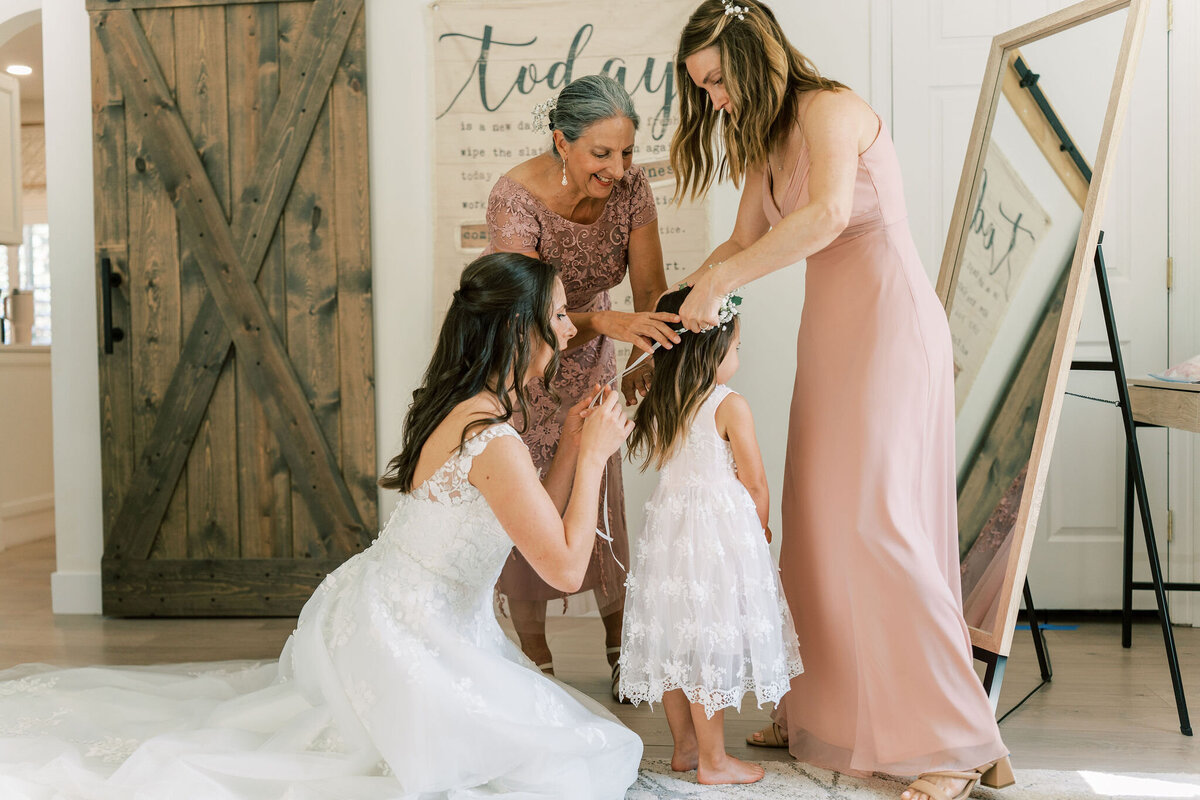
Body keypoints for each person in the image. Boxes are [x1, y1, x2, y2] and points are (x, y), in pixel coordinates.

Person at [0, 253, 643, 800]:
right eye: (558, 313)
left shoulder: (470, 405)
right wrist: (592, 461)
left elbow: (528, 526)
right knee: (579, 756)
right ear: (517, 327)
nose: (568, 328)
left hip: (395, 611)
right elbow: (559, 566)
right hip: (407, 637)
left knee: (569, 741)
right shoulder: (490, 434)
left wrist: (570, 449)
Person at [669, 2, 1014, 799]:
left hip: (891, 330)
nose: (715, 100)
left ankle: (952, 742)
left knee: (881, 524)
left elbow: (825, 216)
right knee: (818, 522)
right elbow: (740, 240)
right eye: (704, 89)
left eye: (718, 80)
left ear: (756, 55)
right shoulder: (757, 140)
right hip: (830, 338)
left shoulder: (834, 110)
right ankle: (816, 707)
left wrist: (724, 281)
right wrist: (682, 289)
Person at [485, 73, 679, 699]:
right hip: (527, 356)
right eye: (602, 153)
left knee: (599, 493)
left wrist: (646, 352)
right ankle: (535, 656)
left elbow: (650, 286)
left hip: (594, 358)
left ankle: (622, 647)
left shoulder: (632, 188)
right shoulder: (514, 200)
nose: (619, 168)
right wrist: (607, 321)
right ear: (560, 141)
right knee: (531, 495)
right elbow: (522, 307)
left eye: (626, 151)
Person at [618, 286, 803, 786]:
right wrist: (759, 530)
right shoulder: (729, 404)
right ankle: (715, 761)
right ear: (712, 348)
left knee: (678, 637)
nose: (739, 356)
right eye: (737, 347)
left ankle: (684, 749)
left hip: (670, 532)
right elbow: (755, 480)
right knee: (709, 641)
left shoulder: (664, 399)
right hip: (718, 535)